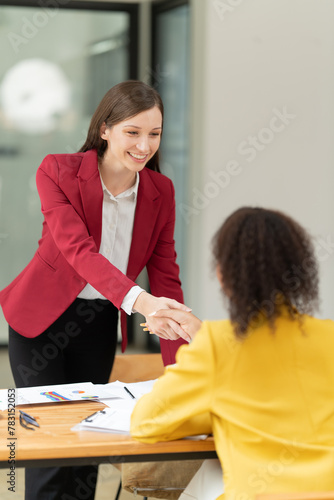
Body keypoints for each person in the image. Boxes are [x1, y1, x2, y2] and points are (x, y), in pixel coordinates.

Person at [0, 80, 191, 500]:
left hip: (97, 322)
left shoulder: (160, 192)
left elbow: (165, 274)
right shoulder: (57, 171)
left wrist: (179, 372)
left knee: (90, 450)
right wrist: (140, 302)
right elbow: (78, 251)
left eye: (154, 134)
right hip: (39, 323)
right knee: (50, 454)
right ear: (105, 129)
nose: (144, 145)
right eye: (133, 132)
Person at [131, 207, 334, 500]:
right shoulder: (328, 335)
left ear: (223, 275)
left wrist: (213, 408)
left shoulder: (216, 344)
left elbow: (145, 424)